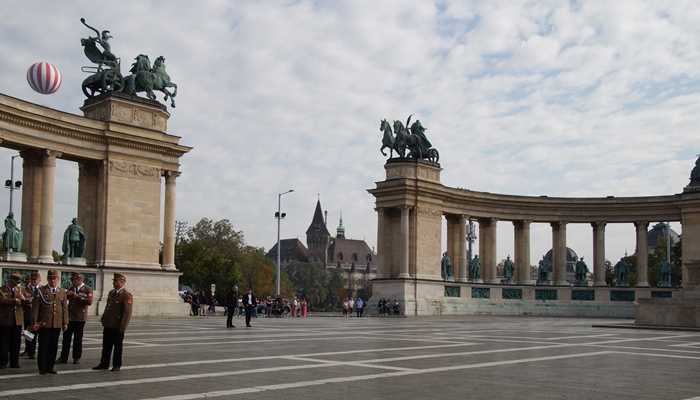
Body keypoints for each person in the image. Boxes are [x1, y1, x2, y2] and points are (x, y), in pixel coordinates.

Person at [93, 273, 132, 372]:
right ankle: (104, 363)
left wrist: (123, 326)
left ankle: (116, 365)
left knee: (118, 347)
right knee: (106, 345)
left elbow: (127, 313)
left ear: (122, 282)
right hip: (109, 324)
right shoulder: (111, 293)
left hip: (118, 325)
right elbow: (108, 307)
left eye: (116, 281)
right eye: (114, 281)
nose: (114, 283)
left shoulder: (126, 295)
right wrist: (104, 318)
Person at [32, 269, 68, 375]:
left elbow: (65, 308)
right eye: (51, 278)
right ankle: (42, 368)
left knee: (53, 346)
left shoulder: (62, 291)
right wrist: (34, 322)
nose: (53, 281)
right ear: (47, 279)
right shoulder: (41, 291)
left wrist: (65, 322)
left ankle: (50, 367)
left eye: (55, 278)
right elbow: (35, 309)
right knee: (43, 346)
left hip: (56, 323)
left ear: (58, 279)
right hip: (44, 323)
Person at [57, 273, 93, 364]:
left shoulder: (87, 289)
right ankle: (63, 357)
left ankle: (76, 357)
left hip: (80, 318)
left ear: (80, 280)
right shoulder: (71, 288)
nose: (72, 282)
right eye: (72, 280)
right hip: (70, 317)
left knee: (78, 339)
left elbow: (89, 301)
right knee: (66, 339)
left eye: (74, 280)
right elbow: (65, 299)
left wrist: (77, 296)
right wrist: (66, 294)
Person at [0, 272, 25, 369]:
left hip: (17, 320)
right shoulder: (2, 289)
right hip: (5, 320)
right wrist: (14, 300)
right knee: (4, 342)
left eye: (18, 281)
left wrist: (24, 300)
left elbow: (27, 299)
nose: (17, 283)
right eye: (15, 281)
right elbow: (2, 300)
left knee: (16, 342)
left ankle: (14, 362)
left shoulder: (20, 289)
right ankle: (3, 362)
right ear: (10, 280)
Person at [21, 271, 40, 359]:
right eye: (32, 279)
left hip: (38, 316)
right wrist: (26, 301)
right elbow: (22, 300)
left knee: (36, 334)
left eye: (35, 280)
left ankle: (32, 351)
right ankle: (28, 351)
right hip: (28, 314)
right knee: (28, 334)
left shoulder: (41, 289)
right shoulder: (25, 289)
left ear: (39, 280)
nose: (34, 281)